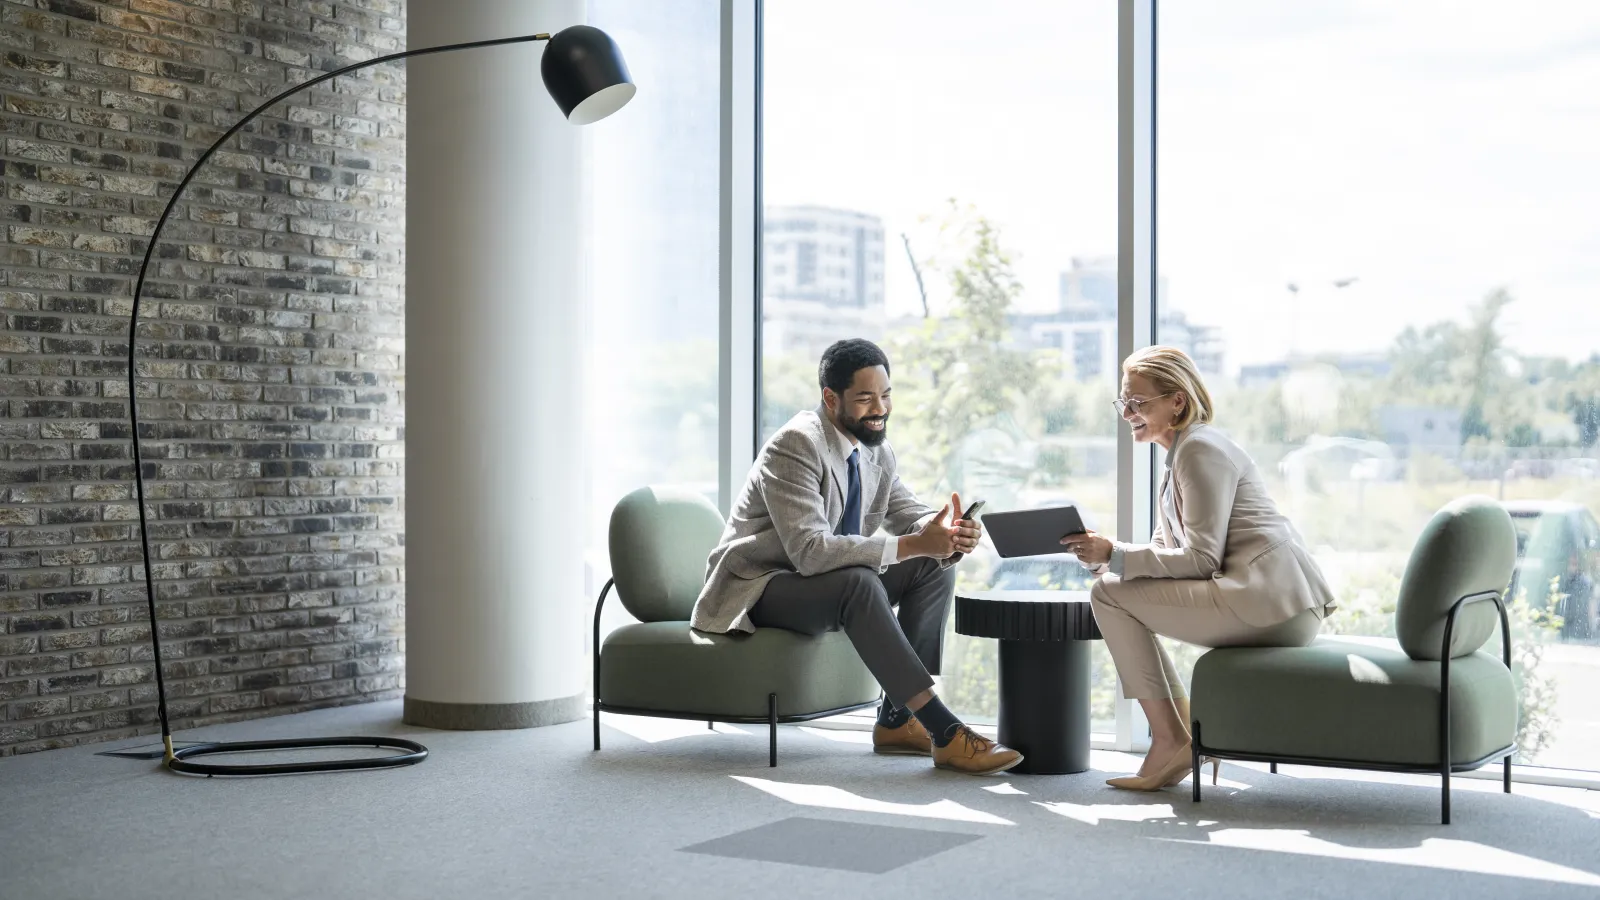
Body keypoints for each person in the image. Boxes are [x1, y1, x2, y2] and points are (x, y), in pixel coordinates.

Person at [691, 339, 1024, 775]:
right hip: (761, 585)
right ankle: (944, 731)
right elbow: (810, 553)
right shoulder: (795, 445)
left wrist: (943, 532)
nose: (879, 409)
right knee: (859, 581)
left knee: (931, 566)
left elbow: (908, 513)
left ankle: (896, 722)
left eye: (885, 396)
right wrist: (912, 543)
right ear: (831, 398)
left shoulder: (876, 450)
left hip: (821, 583)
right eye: (865, 399)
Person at [1061, 346, 1336, 791]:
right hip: (1267, 601)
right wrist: (1102, 557)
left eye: (1138, 402)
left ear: (1177, 402)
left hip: (1270, 605)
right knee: (1109, 590)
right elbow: (1161, 552)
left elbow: (1202, 559)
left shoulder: (1199, 451)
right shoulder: (1179, 458)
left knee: (1107, 595)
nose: (1127, 411)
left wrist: (1113, 556)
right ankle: (1182, 738)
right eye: (1123, 401)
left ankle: (1173, 739)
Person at [1557, 552, 1595, 642]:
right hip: (1565, 633)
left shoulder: (1585, 584)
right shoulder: (1564, 581)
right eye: (1570, 564)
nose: (1571, 567)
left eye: (1574, 564)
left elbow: (1589, 608)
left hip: (1580, 634)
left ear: (1579, 566)